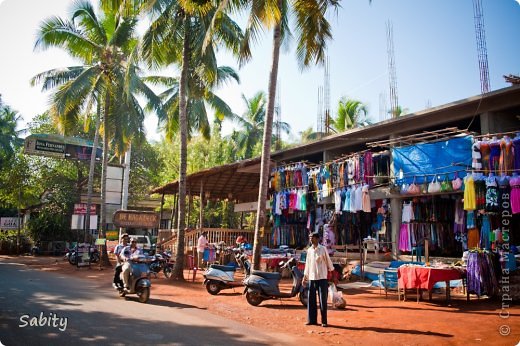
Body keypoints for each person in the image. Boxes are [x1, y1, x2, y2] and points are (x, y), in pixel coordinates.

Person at [303, 232, 334, 327]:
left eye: (312, 238)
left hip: (322, 278)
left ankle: (324, 321)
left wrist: (332, 273)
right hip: (312, 278)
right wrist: (305, 276)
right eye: (309, 238)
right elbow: (307, 264)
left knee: (322, 300)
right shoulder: (309, 251)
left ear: (317, 239)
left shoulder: (323, 249)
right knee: (311, 300)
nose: (310, 239)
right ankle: (311, 320)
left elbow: (328, 261)